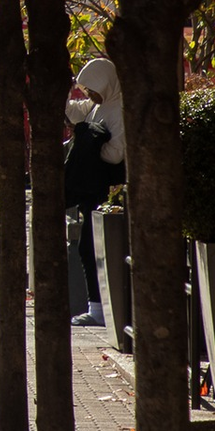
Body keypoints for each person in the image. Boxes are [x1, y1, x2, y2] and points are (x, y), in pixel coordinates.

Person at [65, 57, 126, 328]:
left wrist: (88, 149)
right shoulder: (100, 105)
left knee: (93, 246)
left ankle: (100, 309)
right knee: (87, 245)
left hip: (105, 188)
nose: (89, 94)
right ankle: (96, 307)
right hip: (94, 187)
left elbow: (115, 155)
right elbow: (76, 111)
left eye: (92, 88)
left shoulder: (117, 109)